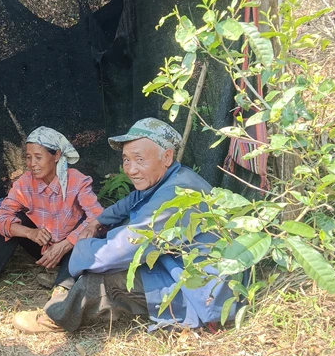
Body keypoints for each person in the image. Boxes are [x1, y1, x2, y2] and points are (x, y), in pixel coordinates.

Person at [12, 118, 239, 333]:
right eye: (126, 159)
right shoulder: (172, 178)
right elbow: (127, 203)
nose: (130, 169)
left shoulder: (175, 195)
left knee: (103, 279)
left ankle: (56, 316)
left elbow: (116, 251)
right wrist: (96, 222)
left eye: (139, 159)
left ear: (167, 157)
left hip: (201, 293)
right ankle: (69, 286)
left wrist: (78, 248)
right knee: (111, 233)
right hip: (178, 267)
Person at [0, 126, 104, 297]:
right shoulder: (25, 183)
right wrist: (30, 233)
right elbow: (1, 217)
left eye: (38, 157)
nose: (32, 164)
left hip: (71, 249)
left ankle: (62, 287)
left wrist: (66, 244)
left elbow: (98, 216)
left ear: (57, 155)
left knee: (87, 230)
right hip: (43, 248)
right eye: (28, 157)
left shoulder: (77, 180)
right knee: (15, 220)